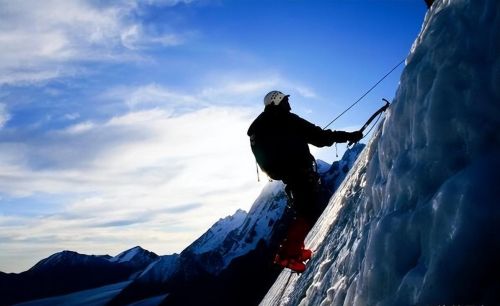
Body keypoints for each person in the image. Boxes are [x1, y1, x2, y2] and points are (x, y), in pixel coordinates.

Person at [247, 90, 363, 272]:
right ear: (277, 102)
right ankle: (287, 256)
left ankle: (296, 251)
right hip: (299, 172)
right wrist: (348, 135)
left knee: (303, 211)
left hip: (288, 175)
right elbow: (320, 137)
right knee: (307, 213)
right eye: (285, 100)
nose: (289, 104)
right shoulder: (286, 120)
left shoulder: (262, 126)